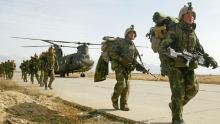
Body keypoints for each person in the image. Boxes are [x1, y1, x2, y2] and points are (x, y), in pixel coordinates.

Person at [158, 3, 218, 124]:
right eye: (188, 14)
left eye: (193, 15)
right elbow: (163, 48)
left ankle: (175, 106)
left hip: (188, 66)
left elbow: (200, 49)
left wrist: (209, 59)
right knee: (178, 93)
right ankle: (177, 119)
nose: (191, 17)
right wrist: (164, 65)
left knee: (194, 89)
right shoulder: (175, 29)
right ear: (182, 16)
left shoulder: (192, 32)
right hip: (174, 66)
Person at [108, 25, 148, 111]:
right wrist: (121, 59)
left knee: (127, 87)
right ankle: (114, 99)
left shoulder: (133, 46)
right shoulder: (121, 42)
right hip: (119, 67)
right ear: (126, 34)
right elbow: (112, 52)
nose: (132, 34)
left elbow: (134, 60)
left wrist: (141, 68)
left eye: (133, 33)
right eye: (130, 33)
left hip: (128, 68)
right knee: (121, 84)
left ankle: (124, 104)